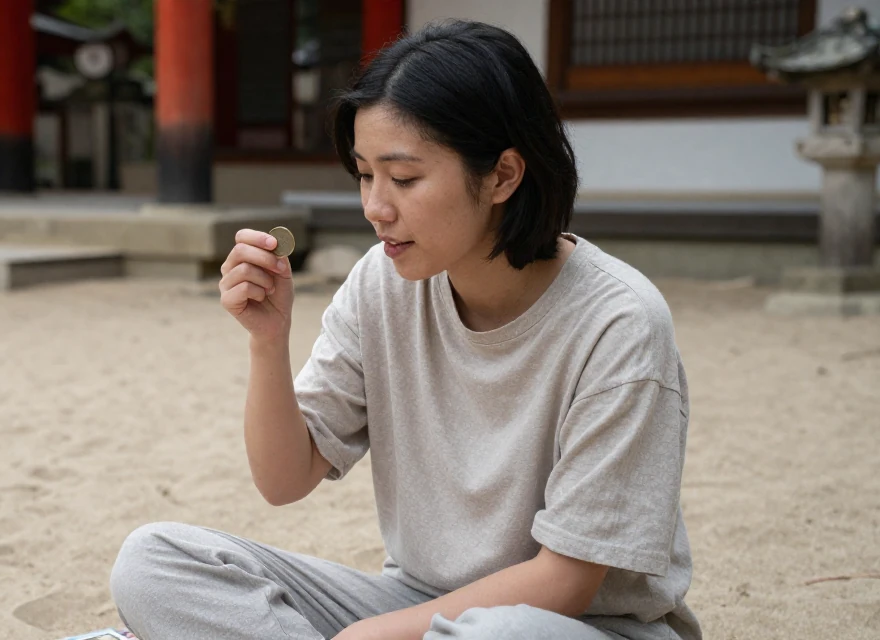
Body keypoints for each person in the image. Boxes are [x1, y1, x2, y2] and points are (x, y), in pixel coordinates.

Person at [110, 19, 700, 640]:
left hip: (575, 626)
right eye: (365, 175)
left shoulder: (619, 324)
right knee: (153, 562)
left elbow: (565, 583)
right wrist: (267, 340)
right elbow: (284, 479)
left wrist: (364, 638)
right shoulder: (382, 281)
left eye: (405, 178)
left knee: (501, 636)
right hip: (410, 601)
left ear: (502, 175)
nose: (375, 207)